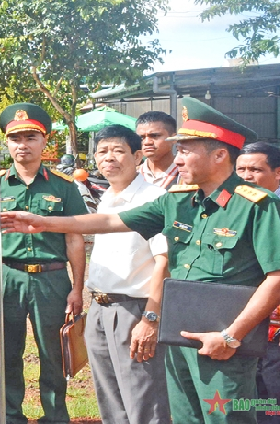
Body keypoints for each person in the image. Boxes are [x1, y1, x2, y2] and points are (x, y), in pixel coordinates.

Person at [1, 97, 280, 424]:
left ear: (220, 155)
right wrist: (44, 222)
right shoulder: (178, 201)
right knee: (184, 418)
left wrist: (231, 335)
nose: (177, 158)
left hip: (223, 341)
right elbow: (113, 221)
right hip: (178, 335)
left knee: (227, 419)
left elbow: (279, 280)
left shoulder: (258, 205)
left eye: (185, 150)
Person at [0, 103, 86, 424]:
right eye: (15, 138)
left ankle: (55, 416)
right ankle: (10, 415)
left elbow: (75, 238)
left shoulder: (63, 186)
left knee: (53, 353)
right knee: (6, 353)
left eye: (31, 137)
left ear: (44, 141)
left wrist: (77, 288)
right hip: (6, 278)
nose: (23, 144)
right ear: (7, 143)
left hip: (51, 280)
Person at [84, 125, 170, 424]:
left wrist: (150, 318)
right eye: (102, 152)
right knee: (110, 400)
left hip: (134, 310)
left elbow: (164, 262)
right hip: (99, 307)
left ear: (137, 156)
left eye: (118, 151)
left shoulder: (154, 199)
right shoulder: (106, 197)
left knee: (144, 400)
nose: (109, 158)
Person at [236, 141, 280, 424]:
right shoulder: (234, 210)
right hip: (238, 322)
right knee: (238, 400)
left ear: (279, 172)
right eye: (241, 169)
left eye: (256, 170)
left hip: (277, 327)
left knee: (272, 400)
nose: (247, 176)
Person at [135, 111, 178, 189]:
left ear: (174, 139)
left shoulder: (186, 174)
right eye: (141, 138)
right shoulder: (132, 176)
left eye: (155, 136)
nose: (147, 142)